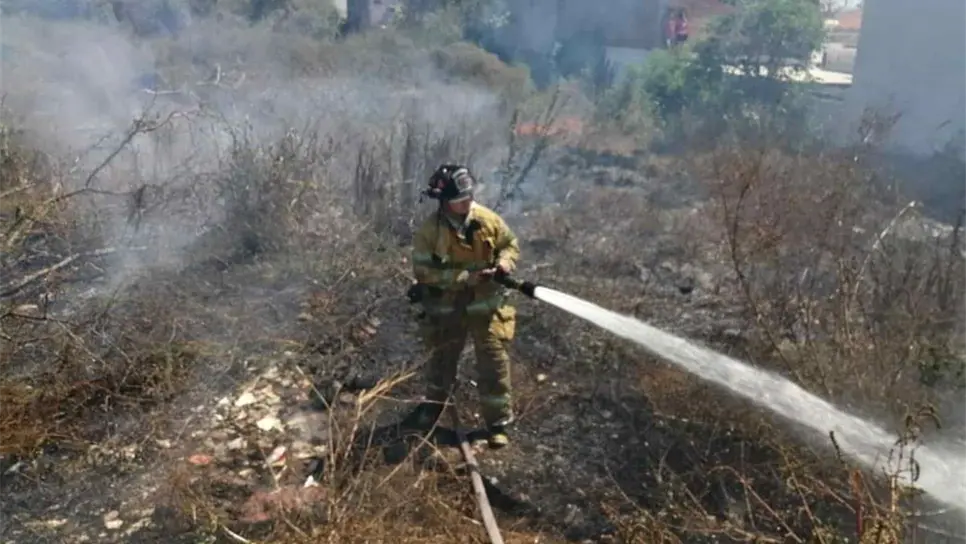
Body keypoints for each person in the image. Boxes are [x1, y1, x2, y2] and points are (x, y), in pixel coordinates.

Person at [401, 164, 521, 449]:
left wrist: (505, 263)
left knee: (494, 365)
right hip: (447, 308)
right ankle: (432, 409)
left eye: (469, 197)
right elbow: (424, 272)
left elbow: (510, 244)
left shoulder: (488, 220)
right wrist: (464, 278)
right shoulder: (430, 232)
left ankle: (497, 424)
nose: (467, 204)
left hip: (487, 306)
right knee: (442, 362)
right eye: (460, 201)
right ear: (445, 203)